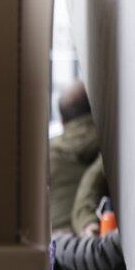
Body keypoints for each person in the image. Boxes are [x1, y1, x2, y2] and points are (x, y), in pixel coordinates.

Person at [50, 82, 101, 235]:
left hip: (59, 248)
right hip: (101, 244)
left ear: (63, 122)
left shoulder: (46, 155)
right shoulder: (115, 148)